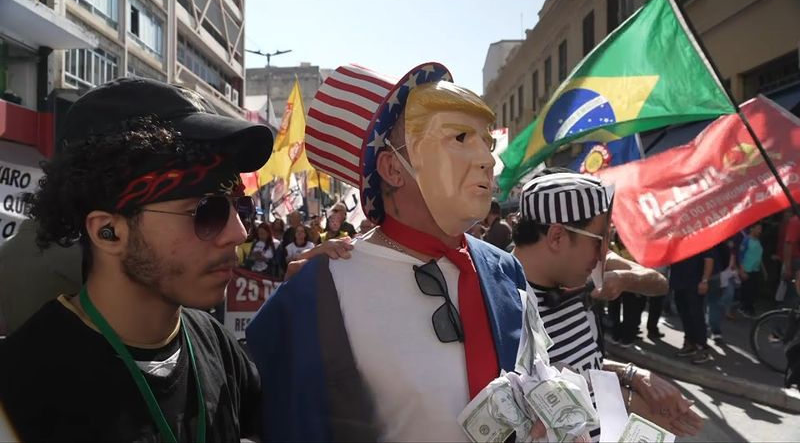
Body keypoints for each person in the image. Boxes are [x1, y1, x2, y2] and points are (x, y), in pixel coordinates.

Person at [246, 63, 544, 441]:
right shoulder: (320, 290)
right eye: (460, 137)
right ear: (393, 167)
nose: (487, 159)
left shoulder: (505, 269)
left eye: (486, 140)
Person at [0, 78, 270, 441]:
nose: (239, 233)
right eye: (206, 212)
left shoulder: (216, 346)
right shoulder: (23, 386)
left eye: (241, 208)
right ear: (108, 232)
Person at [511, 170, 702, 439]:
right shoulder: (503, 304)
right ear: (556, 237)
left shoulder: (575, 274)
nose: (604, 254)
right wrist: (630, 379)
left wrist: (634, 376)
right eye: (600, 240)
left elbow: (657, 282)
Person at [670, 249, 716, 364]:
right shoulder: (679, 239)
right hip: (679, 282)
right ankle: (690, 343)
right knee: (684, 315)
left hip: (694, 284)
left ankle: (702, 348)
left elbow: (709, 260)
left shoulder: (702, 238)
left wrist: (704, 281)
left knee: (696, 316)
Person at [738, 222, 765, 318]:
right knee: (747, 290)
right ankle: (745, 308)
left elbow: (759, 256)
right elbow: (740, 256)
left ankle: (750, 308)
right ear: (752, 229)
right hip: (747, 269)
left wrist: (764, 270)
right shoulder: (746, 240)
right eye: (758, 228)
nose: (759, 231)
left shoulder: (758, 241)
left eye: (760, 229)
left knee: (754, 289)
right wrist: (742, 270)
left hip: (755, 269)